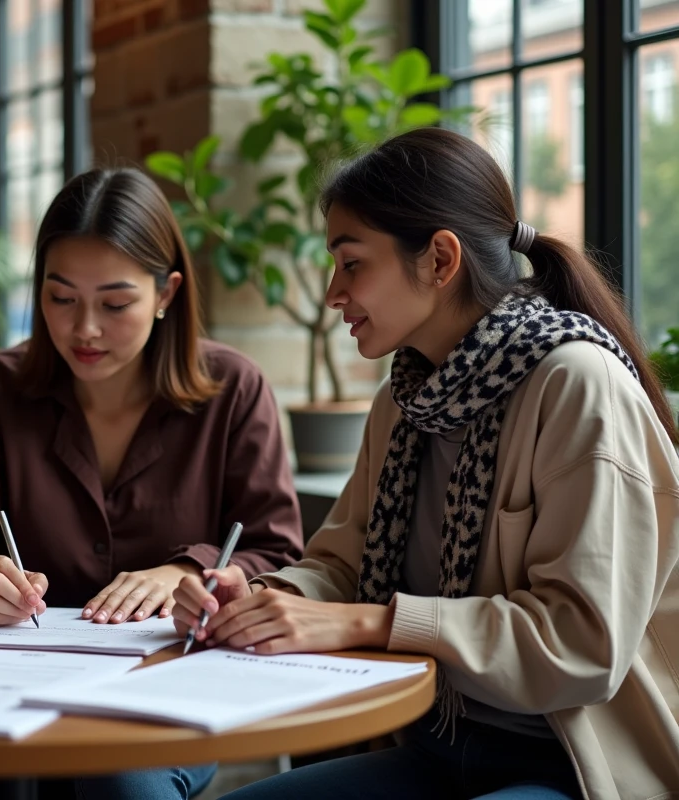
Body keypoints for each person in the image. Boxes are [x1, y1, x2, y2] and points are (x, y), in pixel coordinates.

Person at [172, 127, 679, 800]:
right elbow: (342, 566)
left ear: (440, 259)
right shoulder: (404, 400)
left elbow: (581, 644)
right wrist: (267, 599)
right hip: (430, 744)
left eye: (352, 264)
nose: (332, 292)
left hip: (574, 766)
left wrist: (375, 622)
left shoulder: (576, 384)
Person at [0, 167, 304, 799]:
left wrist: (187, 573)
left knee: (120, 780)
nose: (84, 329)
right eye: (61, 299)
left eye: (115, 304)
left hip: (171, 687)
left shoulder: (234, 389)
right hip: (16, 686)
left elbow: (280, 554)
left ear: (167, 292)